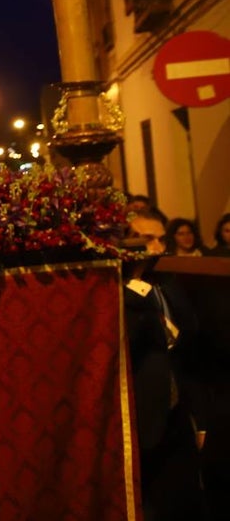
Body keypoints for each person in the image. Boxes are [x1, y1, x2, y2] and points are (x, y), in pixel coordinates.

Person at [124, 209, 208, 520]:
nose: (158, 248)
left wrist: (199, 418)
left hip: (178, 414)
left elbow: (189, 339)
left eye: (161, 239)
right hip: (144, 420)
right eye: (148, 240)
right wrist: (134, 285)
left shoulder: (167, 280)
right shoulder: (120, 291)